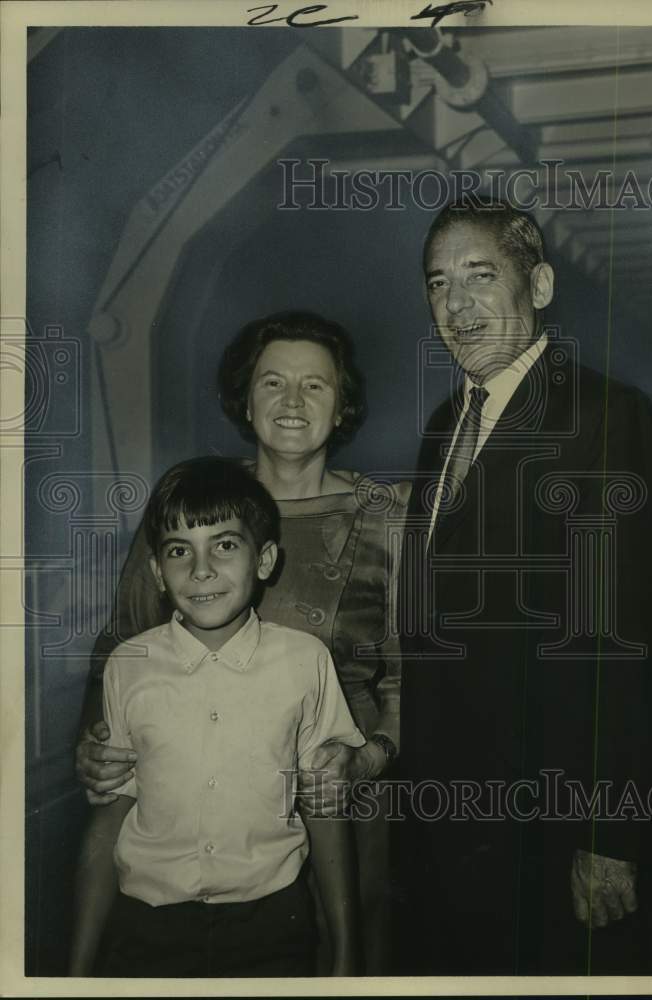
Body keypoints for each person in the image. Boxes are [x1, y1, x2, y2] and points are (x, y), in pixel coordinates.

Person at [396, 198, 652, 975]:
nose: (455, 306)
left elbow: (642, 647)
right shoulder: (443, 426)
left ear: (540, 283)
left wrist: (611, 837)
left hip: (558, 833)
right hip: (448, 834)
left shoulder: (605, 418)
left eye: (478, 275)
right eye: (436, 284)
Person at [74, 312, 409, 974]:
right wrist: (93, 748)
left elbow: (417, 680)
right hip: (187, 805)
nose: (291, 403)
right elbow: (120, 654)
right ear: (243, 397)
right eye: (272, 382)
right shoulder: (198, 505)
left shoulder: (388, 517)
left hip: (340, 801)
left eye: (314, 386)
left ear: (342, 405)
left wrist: (368, 759)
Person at [69, 457, 364, 977]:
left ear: (265, 558)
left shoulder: (305, 661)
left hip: (273, 925)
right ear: (158, 571)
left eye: (225, 545)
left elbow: (326, 809)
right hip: (147, 930)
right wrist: (77, 969)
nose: (201, 570)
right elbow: (108, 816)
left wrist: (344, 953)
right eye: (179, 550)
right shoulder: (128, 666)